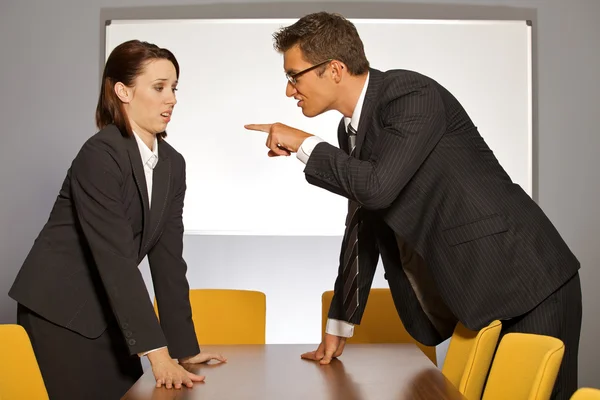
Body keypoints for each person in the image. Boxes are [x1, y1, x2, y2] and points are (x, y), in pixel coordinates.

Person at [245, 12, 581, 400]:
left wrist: (305, 143)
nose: (290, 91)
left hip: (526, 277)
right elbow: (364, 223)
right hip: (475, 292)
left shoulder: (408, 94)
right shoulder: (349, 130)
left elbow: (376, 189)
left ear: (334, 69)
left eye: (294, 76)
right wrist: (340, 321)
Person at [8, 39, 226, 400]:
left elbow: (168, 259)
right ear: (123, 91)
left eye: (174, 88)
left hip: (112, 313)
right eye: (159, 87)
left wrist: (183, 348)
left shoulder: (172, 164)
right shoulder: (100, 154)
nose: (171, 98)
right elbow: (116, 259)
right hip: (59, 312)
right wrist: (157, 355)